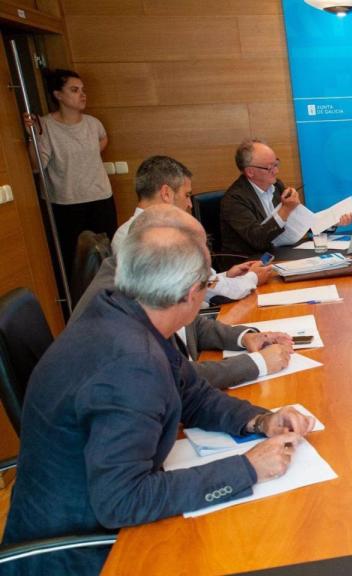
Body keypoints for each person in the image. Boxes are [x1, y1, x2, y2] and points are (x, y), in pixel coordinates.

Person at [2, 220, 314, 574]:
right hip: (79, 550)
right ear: (188, 293)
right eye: (207, 285)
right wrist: (247, 468)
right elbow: (122, 500)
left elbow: (193, 395)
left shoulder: (126, 310)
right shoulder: (132, 365)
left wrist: (260, 420)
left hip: (92, 506)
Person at [71, 205, 294, 390]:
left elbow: (189, 326)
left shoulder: (146, 275)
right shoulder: (120, 305)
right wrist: (256, 364)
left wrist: (244, 337)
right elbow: (172, 378)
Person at [111, 155, 273, 304]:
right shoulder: (152, 236)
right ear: (166, 193)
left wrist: (226, 276)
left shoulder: (127, 231)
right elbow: (211, 291)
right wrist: (253, 278)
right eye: (187, 195)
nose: (189, 204)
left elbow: (196, 281)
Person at [24, 68, 117, 272]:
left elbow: (103, 138)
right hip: (66, 202)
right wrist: (33, 135)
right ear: (58, 95)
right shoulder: (46, 126)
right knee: (75, 260)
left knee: (107, 253)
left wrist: (88, 156)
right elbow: (37, 165)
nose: (82, 95)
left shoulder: (93, 123)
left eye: (83, 89)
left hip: (100, 197)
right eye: (75, 90)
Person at [220, 138, 352, 256]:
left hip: (279, 254)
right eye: (269, 167)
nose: (276, 171)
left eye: (276, 164)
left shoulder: (277, 186)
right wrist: (286, 209)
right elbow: (258, 240)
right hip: (247, 264)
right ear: (250, 172)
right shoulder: (234, 200)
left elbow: (303, 224)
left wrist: (333, 221)